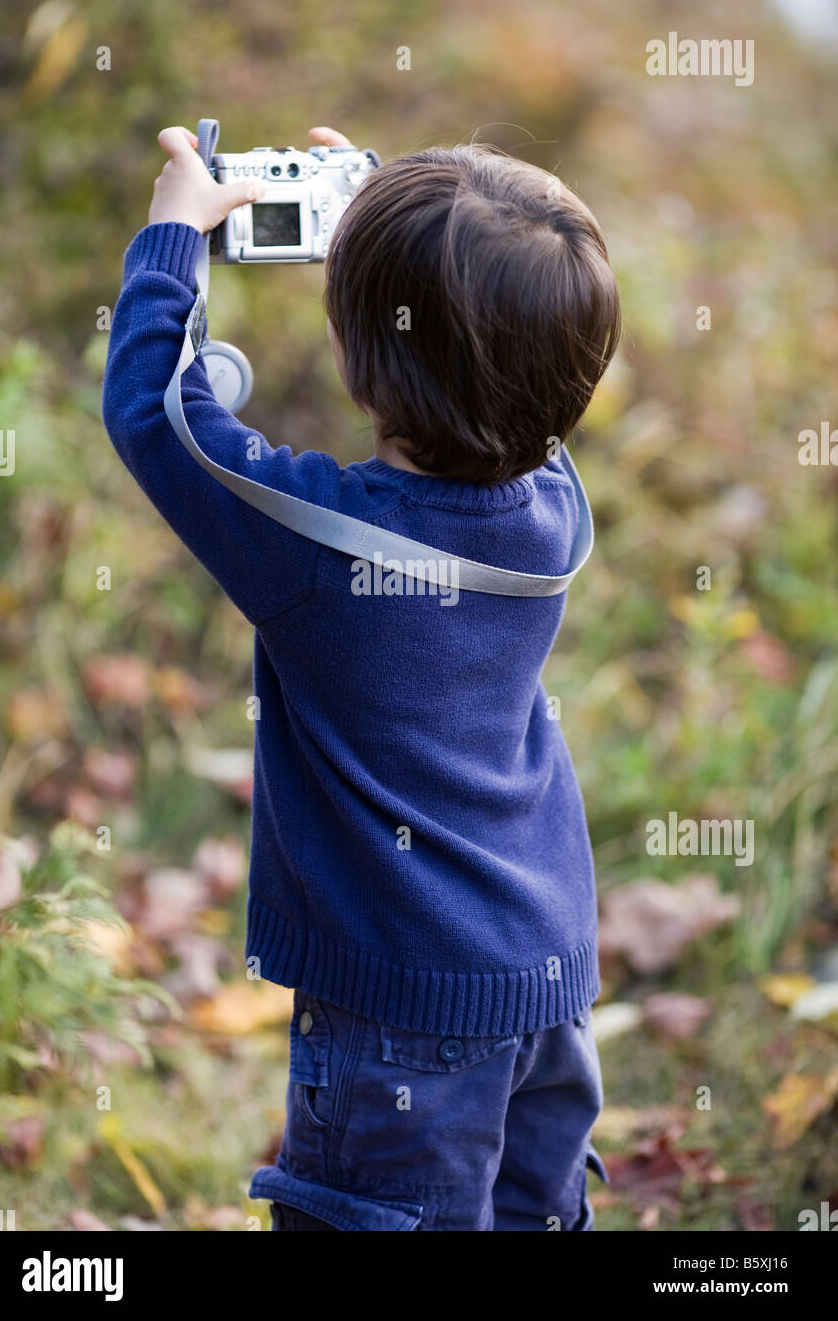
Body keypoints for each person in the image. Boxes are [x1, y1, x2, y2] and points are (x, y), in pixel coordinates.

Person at [103, 122, 621, 1231]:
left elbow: (155, 417)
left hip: (402, 1005)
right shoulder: (548, 512)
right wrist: (408, 227)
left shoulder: (322, 549)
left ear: (358, 357)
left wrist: (169, 241)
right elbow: (511, 351)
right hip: (544, 972)